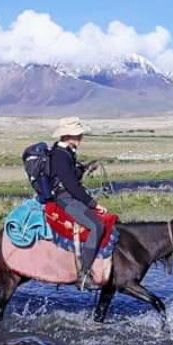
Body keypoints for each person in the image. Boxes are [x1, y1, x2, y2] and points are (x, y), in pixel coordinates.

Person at [49, 116, 106, 289]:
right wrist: (93, 203)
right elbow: (71, 185)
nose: (81, 137)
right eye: (78, 135)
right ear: (68, 136)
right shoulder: (60, 155)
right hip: (64, 199)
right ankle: (84, 274)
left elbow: (71, 176)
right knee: (96, 226)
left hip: (69, 195)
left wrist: (85, 168)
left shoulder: (67, 152)